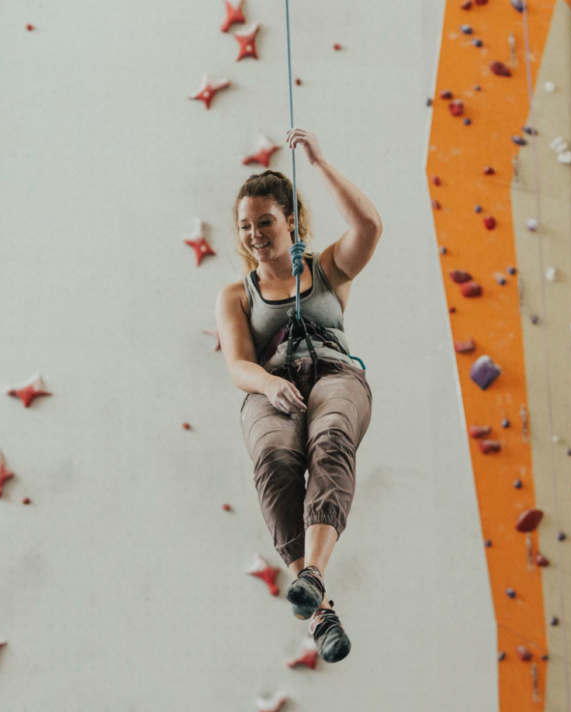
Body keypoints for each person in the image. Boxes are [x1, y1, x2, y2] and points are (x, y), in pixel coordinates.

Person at [214, 128, 382, 663]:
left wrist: (319, 161)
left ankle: (313, 575)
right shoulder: (237, 294)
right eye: (246, 226)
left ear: (290, 219)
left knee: (330, 438)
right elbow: (238, 363)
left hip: (334, 374)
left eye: (266, 221)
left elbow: (369, 225)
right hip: (274, 386)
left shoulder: (327, 268)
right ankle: (320, 610)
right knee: (275, 459)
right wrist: (268, 383)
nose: (256, 234)